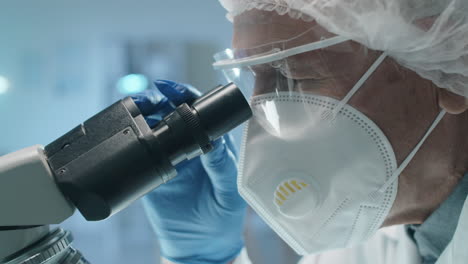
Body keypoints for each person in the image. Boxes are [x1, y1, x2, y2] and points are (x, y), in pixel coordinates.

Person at [139, 1, 468, 263]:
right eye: (252, 78)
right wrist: (207, 260)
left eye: (294, 75)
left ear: (447, 66)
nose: (263, 117)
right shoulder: (346, 252)